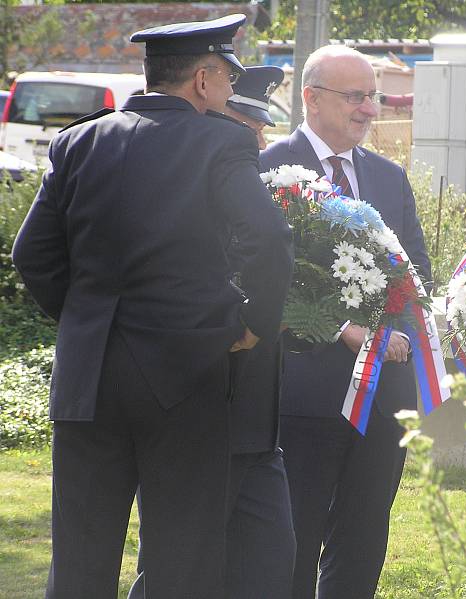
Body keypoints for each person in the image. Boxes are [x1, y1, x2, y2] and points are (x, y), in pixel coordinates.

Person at [11, 14, 294, 599]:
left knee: (80, 561)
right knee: (182, 561)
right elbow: (267, 239)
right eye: (225, 77)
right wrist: (250, 325)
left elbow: (32, 254)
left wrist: (88, 320)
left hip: (89, 378)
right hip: (185, 373)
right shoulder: (223, 139)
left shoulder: (78, 140)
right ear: (203, 80)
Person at [259, 45, 431, 599]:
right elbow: (258, 277)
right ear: (311, 98)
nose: (368, 110)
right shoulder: (269, 169)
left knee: (362, 541)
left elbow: (415, 274)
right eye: (354, 96)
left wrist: (401, 331)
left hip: (383, 397)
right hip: (303, 395)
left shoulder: (389, 177)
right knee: (294, 541)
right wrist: (337, 328)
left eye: (372, 97)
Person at [126, 64, 296, 599]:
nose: (259, 141)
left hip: (257, 424)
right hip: (198, 408)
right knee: (178, 573)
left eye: (261, 129)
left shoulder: (263, 188)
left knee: (271, 563)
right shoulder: (179, 186)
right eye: (247, 125)